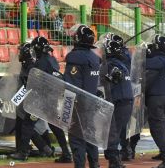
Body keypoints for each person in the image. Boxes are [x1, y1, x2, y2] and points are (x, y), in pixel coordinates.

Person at [64, 25, 100, 168]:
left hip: (78, 104)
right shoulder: (94, 58)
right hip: (91, 104)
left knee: (77, 139)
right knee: (91, 137)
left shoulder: (75, 57)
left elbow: (71, 84)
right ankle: (94, 164)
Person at [9, 42, 53, 161]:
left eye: (21, 52)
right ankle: (44, 149)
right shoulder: (27, 64)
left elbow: (28, 85)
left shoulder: (30, 66)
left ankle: (27, 151)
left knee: (27, 126)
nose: (19, 54)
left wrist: (17, 100)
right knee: (29, 126)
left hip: (31, 101)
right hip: (31, 101)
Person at [31, 36, 72, 163]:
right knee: (54, 125)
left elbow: (38, 81)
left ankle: (63, 152)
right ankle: (60, 150)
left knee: (51, 125)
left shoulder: (41, 62)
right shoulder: (52, 59)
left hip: (47, 95)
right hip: (55, 93)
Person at [144, 35, 165, 168]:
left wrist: (146, 54)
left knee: (157, 129)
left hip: (156, 99)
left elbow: (145, 68)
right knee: (160, 128)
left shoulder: (157, 61)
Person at [102, 36, 133, 168]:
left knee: (112, 132)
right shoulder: (122, 64)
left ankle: (114, 161)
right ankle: (115, 157)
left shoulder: (111, 65)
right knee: (116, 131)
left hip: (119, 102)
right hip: (126, 102)